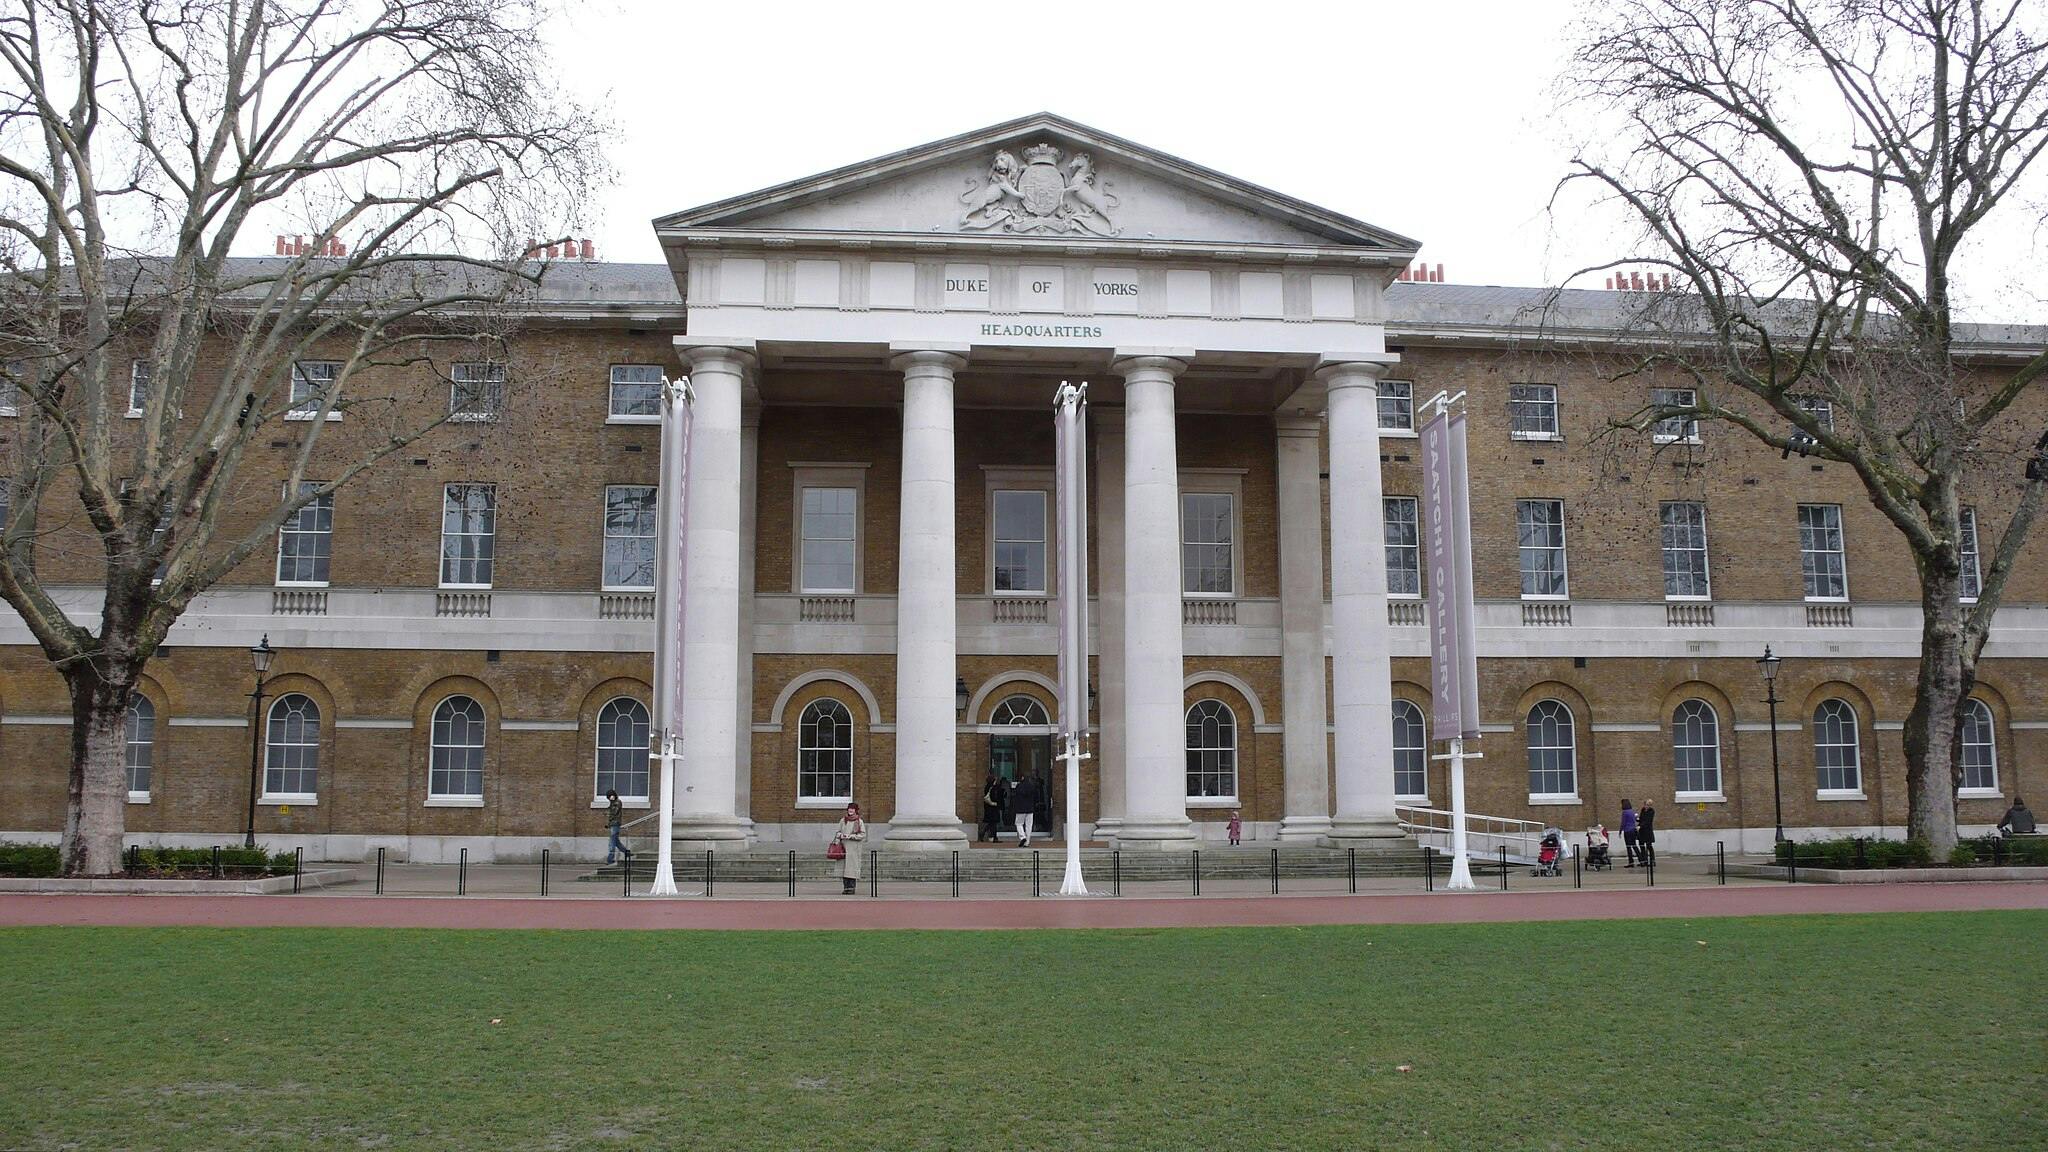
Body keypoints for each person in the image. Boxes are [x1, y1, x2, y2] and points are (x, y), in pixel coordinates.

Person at [834, 802, 866, 894]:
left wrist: (851, 836)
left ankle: (851, 888)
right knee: (844, 869)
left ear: (856, 810)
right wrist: (841, 836)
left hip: (854, 849)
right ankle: (845, 888)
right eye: (849, 809)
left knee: (851, 869)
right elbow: (837, 832)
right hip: (843, 848)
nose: (850, 810)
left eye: (852, 809)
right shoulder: (843, 820)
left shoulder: (859, 821)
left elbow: (862, 835)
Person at [1010, 773, 1041, 847]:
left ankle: (1022, 836)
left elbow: (1015, 797)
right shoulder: (1032, 787)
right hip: (1030, 809)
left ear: (1022, 778)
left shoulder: (1019, 786)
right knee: (1029, 826)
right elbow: (1036, 797)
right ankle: (1027, 841)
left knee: (1019, 823)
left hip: (1020, 809)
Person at [604, 789, 633, 865]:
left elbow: (614, 813)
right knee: (616, 841)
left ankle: (610, 858)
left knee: (612, 841)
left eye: (611, 796)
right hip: (612, 824)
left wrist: (609, 819)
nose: (611, 798)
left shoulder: (617, 802)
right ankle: (627, 852)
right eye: (609, 796)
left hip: (615, 823)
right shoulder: (612, 803)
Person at [979, 773, 1004, 842]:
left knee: (991, 823)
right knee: (993, 823)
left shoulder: (987, 786)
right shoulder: (993, 788)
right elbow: (995, 797)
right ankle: (993, 837)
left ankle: (985, 834)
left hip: (988, 807)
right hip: (993, 807)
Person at [1620, 799, 1640, 867]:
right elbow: (1635, 819)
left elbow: (1623, 823)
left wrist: (1620, 831)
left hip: (1627, 831)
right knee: (1634, 846)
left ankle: (1631, 862)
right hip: (1633, 830)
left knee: (1628, 847)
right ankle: (1641, 860)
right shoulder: (1632, 811)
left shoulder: (1624, 812)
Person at [1638, 801, 1657, 867]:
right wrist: (1637, 820)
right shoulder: (1642, 810)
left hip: (1648, 831)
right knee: (1641, 845)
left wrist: (1641, 825)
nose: (1646, 806)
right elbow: (1641, 819)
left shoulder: (1651, 811)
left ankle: (1652, 860)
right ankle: (1644, 861)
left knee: (1649, 846)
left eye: (1648, 805)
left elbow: (1648, 821)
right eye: (1646, 805)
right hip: (1642, 831)